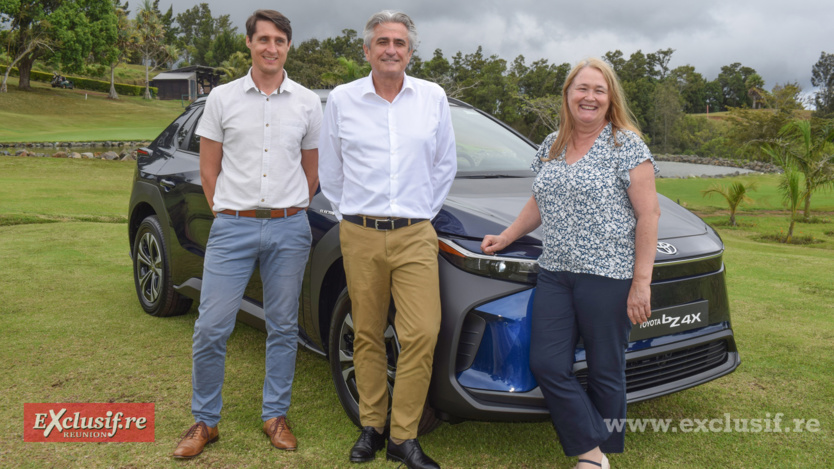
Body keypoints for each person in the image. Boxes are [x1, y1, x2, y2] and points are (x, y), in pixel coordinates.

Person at [481, 58, 660, 469]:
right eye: (582, 88)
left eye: (599, 90)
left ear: (610, 97)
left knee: (604, 369)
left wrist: (641, 282)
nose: (590, 97)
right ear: (568, 94)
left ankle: (594, 459)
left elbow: (649, 215)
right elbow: (539, 200)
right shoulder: (551, 144)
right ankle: (596, 446)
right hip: (556, 272)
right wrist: (508, 236)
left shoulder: (626, 144)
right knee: (546, 362)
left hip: (608, 274)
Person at [171, 9, 322, 459]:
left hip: (290, 228)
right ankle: (205, 421)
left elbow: (312, 172)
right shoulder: (222, 98)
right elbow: (208, 167)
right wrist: (224, 212)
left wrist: (291, 207)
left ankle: (275, 415)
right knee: (211, 326)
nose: (271, 47)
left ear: (288, 46)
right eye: (263, 39)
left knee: (282, 325)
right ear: (250, 44)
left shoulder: (307, 102)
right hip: (232, 227)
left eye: (279, 40)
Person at [318, 10, 456, 469]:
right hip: (359, 232)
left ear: (410, 52)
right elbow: (331, 170)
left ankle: (404, 437)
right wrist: (349, 215)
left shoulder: (432, 98)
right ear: (367, 50)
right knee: (367, 332)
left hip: (416, 234)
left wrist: (419, 214)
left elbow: (443, 165)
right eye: (382, 42)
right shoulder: (341, 99)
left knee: (422, 332)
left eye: (399, 42)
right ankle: (372, 426)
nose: (390, 49)